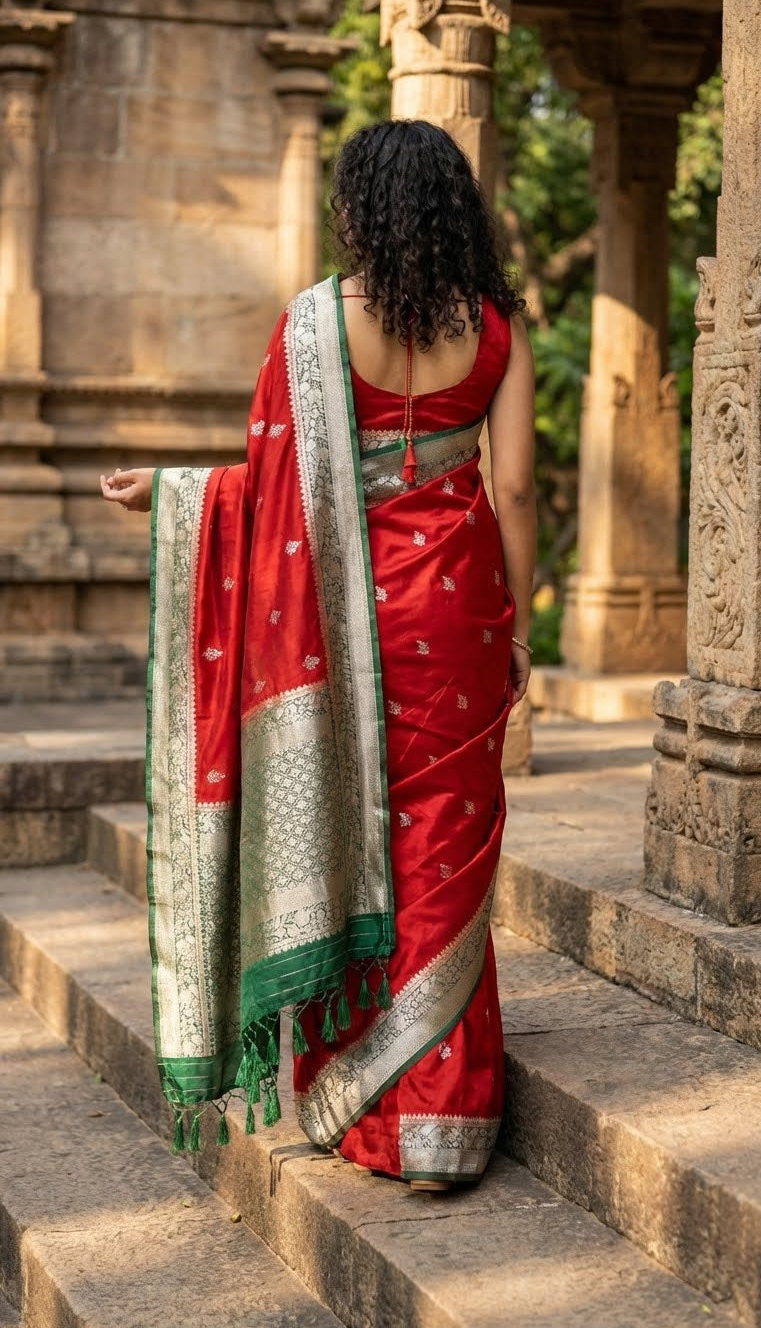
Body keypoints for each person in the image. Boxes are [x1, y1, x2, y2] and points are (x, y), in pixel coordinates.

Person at [100, 118, 536, 1193]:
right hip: (460, 618)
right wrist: (519, 626)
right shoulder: (497, 327)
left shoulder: (316, 323)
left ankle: (371, 1101)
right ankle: (447, 1114)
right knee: (446, 839)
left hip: (344, 623)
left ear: (362, 209)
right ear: (454, 208)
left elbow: (278, 484)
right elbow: (518, 489)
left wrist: (177, 495)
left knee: (360, 829)